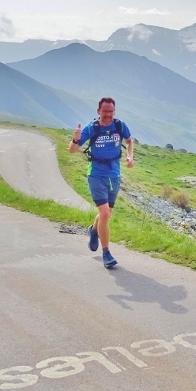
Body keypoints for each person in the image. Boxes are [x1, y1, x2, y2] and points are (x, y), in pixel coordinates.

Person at [68, 97, 134, 268]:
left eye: (111, 111)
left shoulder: (119, 126)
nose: (108, 115)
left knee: (107, 214)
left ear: (114, 111)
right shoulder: (92, 128)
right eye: (105, 111)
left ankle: (93, 230)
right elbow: (72, 151)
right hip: (96, 174)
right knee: (104, 213)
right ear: (98, 111)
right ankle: (107, 254)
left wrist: (129, 156)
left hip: (114, 174)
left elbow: (129, 140)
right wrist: (75, 139)